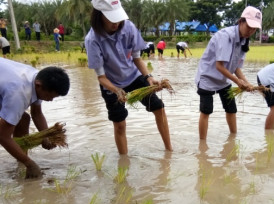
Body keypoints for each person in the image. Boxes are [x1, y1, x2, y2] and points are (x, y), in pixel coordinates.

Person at [85, 0, 173, 154]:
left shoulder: (128, 27)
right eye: (112, 19)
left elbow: (137, 59)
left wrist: (149, 77)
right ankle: (124, 160)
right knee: (119, 123)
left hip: (133, 76)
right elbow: (101, 77)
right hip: (110, 83)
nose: (116, 23)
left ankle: (169, 150)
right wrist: (116, 90)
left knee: (159, 108)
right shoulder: (92, 40)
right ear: (99, 16)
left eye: (118, 18)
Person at [195, 6, 262, 140]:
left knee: (231, 109)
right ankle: (202, 145)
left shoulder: (243, 40)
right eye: (249, 26)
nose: (251, 31)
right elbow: (219, 66)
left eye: (254, 29)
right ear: (241, 21)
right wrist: (238, 82)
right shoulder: (225, 36)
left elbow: (236, 67)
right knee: (206, 111)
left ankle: (233, 138)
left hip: (224, 80)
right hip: (208, 77)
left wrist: (247, 83)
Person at [0, 58, 70, 178]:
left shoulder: (37, 78)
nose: (50, 100)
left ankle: (20, 160)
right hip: (10, 88)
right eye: (49, 96)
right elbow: (2, 136)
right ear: (38, 85)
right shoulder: (19, 93)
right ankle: (24, 161)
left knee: (23, 119)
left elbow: (36, 113)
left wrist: (45, 137)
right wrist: (30, 164)